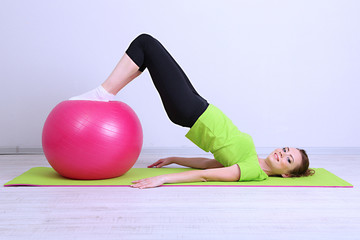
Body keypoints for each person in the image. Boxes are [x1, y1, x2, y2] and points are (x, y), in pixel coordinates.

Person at [70, 34, 315, 189]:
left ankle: (103, 93)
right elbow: (210, 163)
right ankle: (106, 93)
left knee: (146, 43)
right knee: (148, 56)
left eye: (288, 159)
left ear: (287, 176)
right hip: (199, 105)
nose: (282, 154)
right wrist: (175, 159)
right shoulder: (254, 159)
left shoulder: (252, 171)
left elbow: (208, 175)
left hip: (190, 111)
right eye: (286, 149)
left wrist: (164, 179)